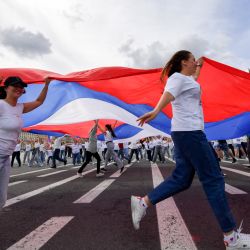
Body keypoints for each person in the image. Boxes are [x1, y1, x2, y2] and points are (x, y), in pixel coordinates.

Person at [131, 50, 250, 249]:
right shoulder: (177, 78)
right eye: (193, 59)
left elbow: (193, 80)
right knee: (214, 180)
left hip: (184, 133)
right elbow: (168, 94)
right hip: (191, 133)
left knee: (182, 179)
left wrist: (200, 67)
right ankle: (231, 239)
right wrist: (156, 111)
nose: (196, 62)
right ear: (184, 62)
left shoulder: (187, 79)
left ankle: (143, 202)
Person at [0, 76, 51, 210]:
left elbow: (39, 101)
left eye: (21, 86)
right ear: (6, 88)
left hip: (5, 157)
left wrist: (46, 85)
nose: (19, 88)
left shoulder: (19, 107)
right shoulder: (1, 105)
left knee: (1, 198)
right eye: (15, 85)